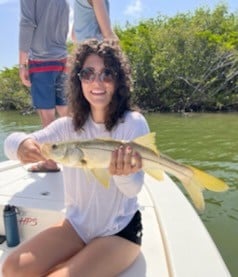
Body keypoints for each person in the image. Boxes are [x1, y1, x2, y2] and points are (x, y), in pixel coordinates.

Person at [3, 39, 150, 276]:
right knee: (11, 268)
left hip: (119, 231)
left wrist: (123, 174)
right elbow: (11, 143)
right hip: (76, 226)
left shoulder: (132, 123)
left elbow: (133, 189)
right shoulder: (66, 127)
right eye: (88, 73)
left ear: (119, 80)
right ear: (78, 79)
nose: (97, 82)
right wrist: (21, 144)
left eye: (107, 73)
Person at [19, 0, 70, 172]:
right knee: (66, 112)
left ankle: (50, 162)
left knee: (47, 115)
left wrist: (21, 64)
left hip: (41, 62)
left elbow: (27, 24)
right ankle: (74, 156)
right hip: (62, 60)